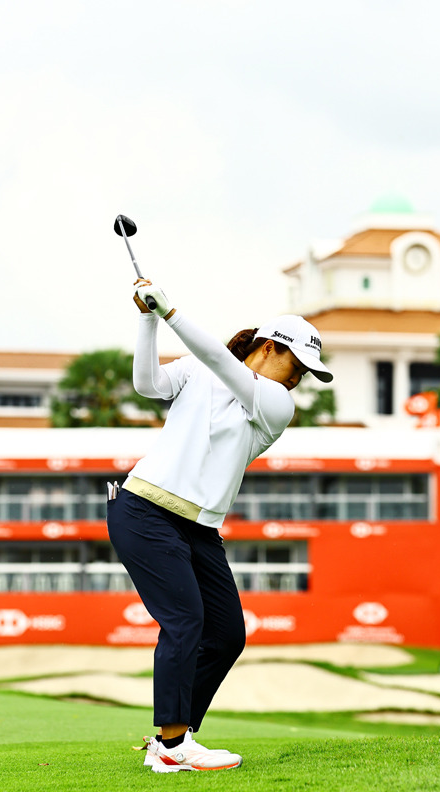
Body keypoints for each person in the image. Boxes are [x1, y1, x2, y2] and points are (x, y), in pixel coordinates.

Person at [107, 277, 332, 773]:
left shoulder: (276, 404)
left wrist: (171, 313)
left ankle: (178, 737)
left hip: (198, 528)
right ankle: (170, 748)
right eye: (298, 366)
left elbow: (221, 363)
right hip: (143, 508)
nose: (300, 380)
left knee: (228, 634)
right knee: (185, 622)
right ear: (270, 348)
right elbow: (148, 385)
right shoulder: (203, 371)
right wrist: (148, 320)